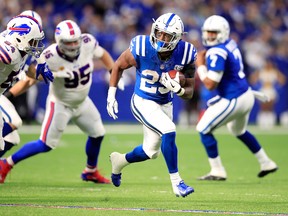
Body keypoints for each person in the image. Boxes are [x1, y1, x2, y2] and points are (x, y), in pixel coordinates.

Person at [0, 20, 114, 184]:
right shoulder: (49, 55)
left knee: (98, 134)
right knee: (45, 144)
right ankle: (6, 163)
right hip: (61, 103)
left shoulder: (88, 42)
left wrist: (113, 72)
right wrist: (9, 95)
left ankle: (90, 171)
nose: (74, 45)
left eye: (76, 41)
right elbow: (30, 80)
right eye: (69, 42)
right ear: (60, 42)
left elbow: (103, 54)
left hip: (82, 102)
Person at [107, 13, 196, 197]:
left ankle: (119, 161)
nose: (161, 38)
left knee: (151, 152)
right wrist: (111, 94)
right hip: (142, 100)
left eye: (167, 36)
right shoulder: (141, 46)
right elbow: (118, 65)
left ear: (177, 38)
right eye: (159, 32)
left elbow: (190, 91)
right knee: (169, 130)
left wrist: (178, 90)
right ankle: (177, 182)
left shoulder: (186, 53)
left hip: (165, 103)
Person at [195, 15, 278, 181]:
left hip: (235, 98)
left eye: (214, 33)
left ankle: (217, 170)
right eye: (208, 32)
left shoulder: (217, 51)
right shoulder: (230, 43)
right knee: (238, 130)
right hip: (246, 94)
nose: (210, 36)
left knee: (203, 128)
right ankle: (266, 162)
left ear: (223, 32)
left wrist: (200, 66)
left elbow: (211, 84)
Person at [0, 14, 53, 153]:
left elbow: (35, 56)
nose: (35, 45)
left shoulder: (20, 50)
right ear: (20, 37)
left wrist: (42, 65)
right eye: (33, 41)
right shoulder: (8, 50)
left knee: (3, 143)